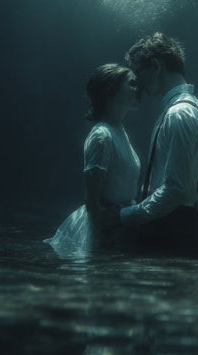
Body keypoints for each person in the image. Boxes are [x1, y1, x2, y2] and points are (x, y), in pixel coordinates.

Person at [118, 33, 198, 256]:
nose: (136, 83)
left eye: (138, 72)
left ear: (156, 66)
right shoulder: (183, 109)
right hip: (173, 225)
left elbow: (176, 189)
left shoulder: (179, 114)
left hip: (172, 230)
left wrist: (126, 215)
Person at [46, 64, 141, 259]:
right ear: (112, 90)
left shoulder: (118, 131)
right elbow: (93, 202)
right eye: (131, 84)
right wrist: (98, 246)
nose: (137, 88)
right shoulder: (102, 135)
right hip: (108, 227)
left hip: (123, 222)